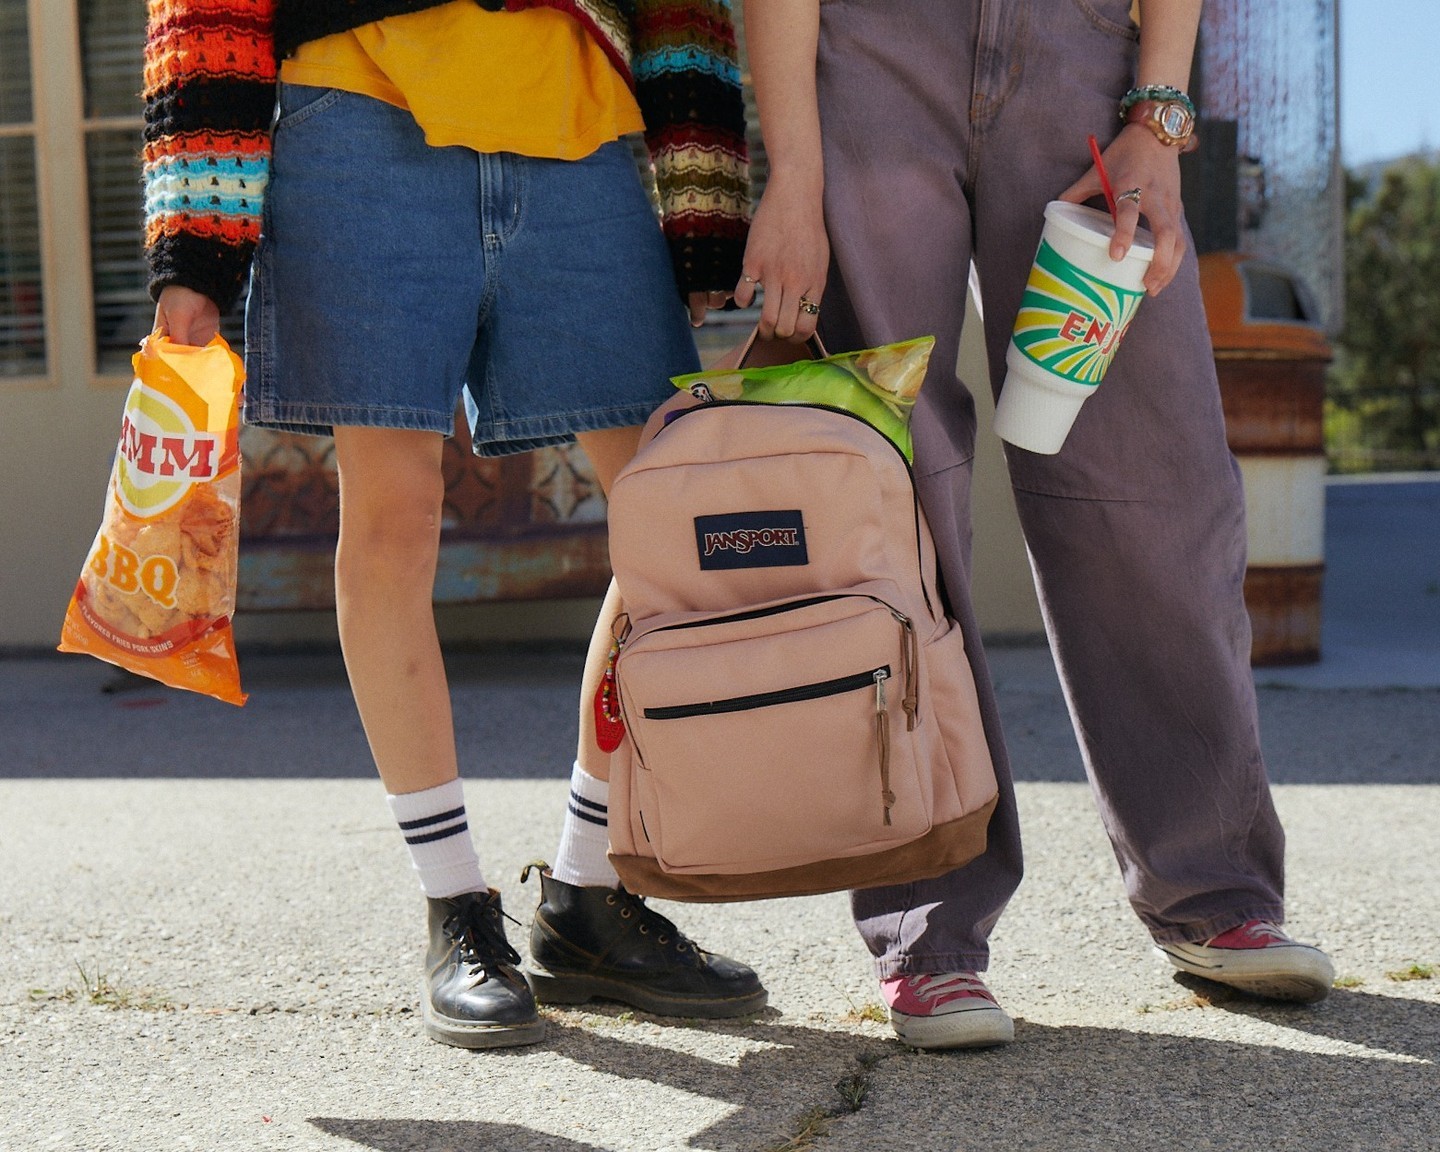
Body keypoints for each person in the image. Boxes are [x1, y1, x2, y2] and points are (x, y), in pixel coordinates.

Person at [142, 0, 766, 1050]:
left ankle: (586, 892)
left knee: (669, 519)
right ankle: (455, 904)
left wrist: (702, 191)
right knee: (392, 523)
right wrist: (193, 241)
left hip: (580, 120)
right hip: (353, 120)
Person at [735, 0, 1335, 1050]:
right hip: (873, 58)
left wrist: (1158, 114)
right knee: (897, 498)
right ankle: (928, 930)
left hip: (1085, 59)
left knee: (1155, 487)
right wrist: (794, 170)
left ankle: (1212, 886)